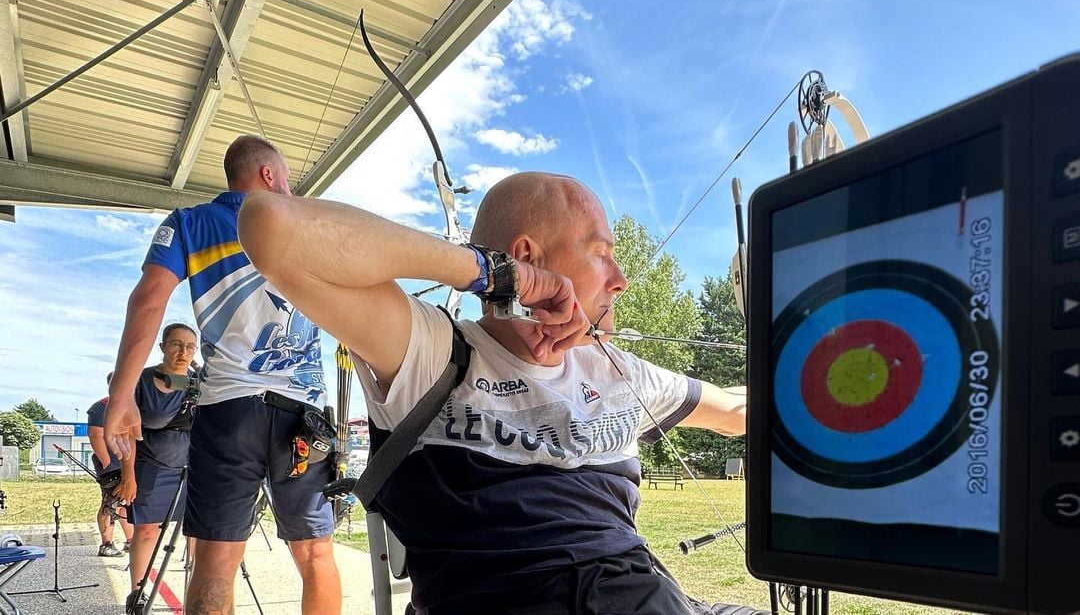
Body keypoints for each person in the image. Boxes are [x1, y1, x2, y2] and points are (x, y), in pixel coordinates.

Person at [237, 172, 765, 615]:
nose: (621, 279)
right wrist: (496, 274)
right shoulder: (433, 352)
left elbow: (740, 410)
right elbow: (271, 226)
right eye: (602, 254)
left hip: (649, 597)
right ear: (528, 257)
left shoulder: (618, 370)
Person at [104, 135, 341, 615]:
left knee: (214, 559)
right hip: (304, 422)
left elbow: (149, 298)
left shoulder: (190, 223)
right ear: (269, 175)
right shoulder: (310, 225)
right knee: (316, 555)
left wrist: (121, 394)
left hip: (227, 409)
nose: (291, 187)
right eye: (287, 177)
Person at [112, 323, 198, 609]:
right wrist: (129, 476)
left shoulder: (201, 382)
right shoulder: (141, 381)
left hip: (194, 468)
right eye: (176, 344)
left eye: (190, 346)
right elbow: (126, 432)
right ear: (163, 346)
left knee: (196, 532)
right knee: (148, 531)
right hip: (152, 466)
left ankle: (196, 593)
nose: (183, 351)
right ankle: (137, 593)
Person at [88, 377, 134, 557]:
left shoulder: (130, 405)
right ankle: (106, 544)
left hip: (126, 462)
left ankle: (131, 541)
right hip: (112, 466)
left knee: (126, 502)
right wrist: (107, 462)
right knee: (110, 503)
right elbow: (95, 435)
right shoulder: (101, 406)